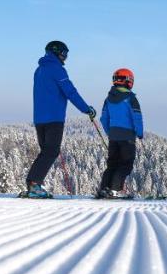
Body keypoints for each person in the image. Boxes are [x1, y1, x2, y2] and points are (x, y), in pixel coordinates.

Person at [24, 40, 95, 198]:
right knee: (52, 151)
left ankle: (32, 184)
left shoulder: (39, 69)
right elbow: (70, 92)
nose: (66, 57)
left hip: (39, 119)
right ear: (57, 52)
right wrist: (86, 109)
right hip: (54, 118)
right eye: (64, 53)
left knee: (46, 152)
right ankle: (35, 185)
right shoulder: (57, 70)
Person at [95, 67, 144, 199]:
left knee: (112, 164)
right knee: (125, 164)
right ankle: (115, 190)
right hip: (127, 136)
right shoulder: (130, 98)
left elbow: (104, 118)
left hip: (113, 136)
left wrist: (110, 132)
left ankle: (104, 188)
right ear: (128, 81)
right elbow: (137, 117)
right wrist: (140, 133)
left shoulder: (108, 99)